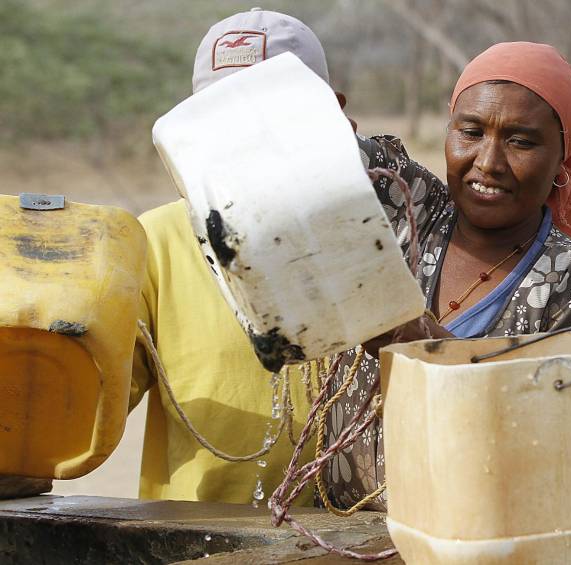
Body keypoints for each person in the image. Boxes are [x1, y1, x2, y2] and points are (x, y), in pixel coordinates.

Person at [325, 42, 571, 510]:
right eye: (470, 132)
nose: (487, 162)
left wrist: (434, 348)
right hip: (333, 536)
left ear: (561, 161)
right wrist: (311, 128)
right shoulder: (408, 205)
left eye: (522, 141)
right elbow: (317, 162)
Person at [131, 8, 350, 504]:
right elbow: (80, 404)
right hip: (192, 548)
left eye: (270, 111)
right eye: (221, 116)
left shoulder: (384, 235)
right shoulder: (156, 244)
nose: (246, 135)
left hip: (354, 548)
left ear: (331, 110)